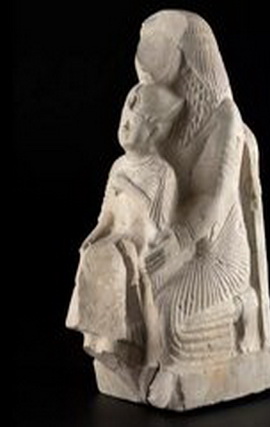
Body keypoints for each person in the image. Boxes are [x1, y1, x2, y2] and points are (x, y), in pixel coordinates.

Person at [133, 10, 265, 406]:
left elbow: (216, 198)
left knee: (167, 306)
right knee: (135, 286)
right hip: (174, 238)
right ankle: (138, 363)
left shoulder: (225, 117)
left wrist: (182, 239)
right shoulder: (166, 107)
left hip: (216, 251)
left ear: (187, 55)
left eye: (156, 45)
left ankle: (239, 311)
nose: (144, 56)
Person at [67, 83, 183, 379]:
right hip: (117, 238)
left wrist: (130, 188)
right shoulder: (118, 167)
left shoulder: (163, 173)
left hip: (147, 244)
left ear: (154, 131)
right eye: (124, 118)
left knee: (131, 269)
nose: (125, 125)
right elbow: (107, 216)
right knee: (93, 256)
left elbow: (160, 225)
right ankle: (102, 341)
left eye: (134, 121)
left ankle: (139, 351)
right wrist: (93, 236)